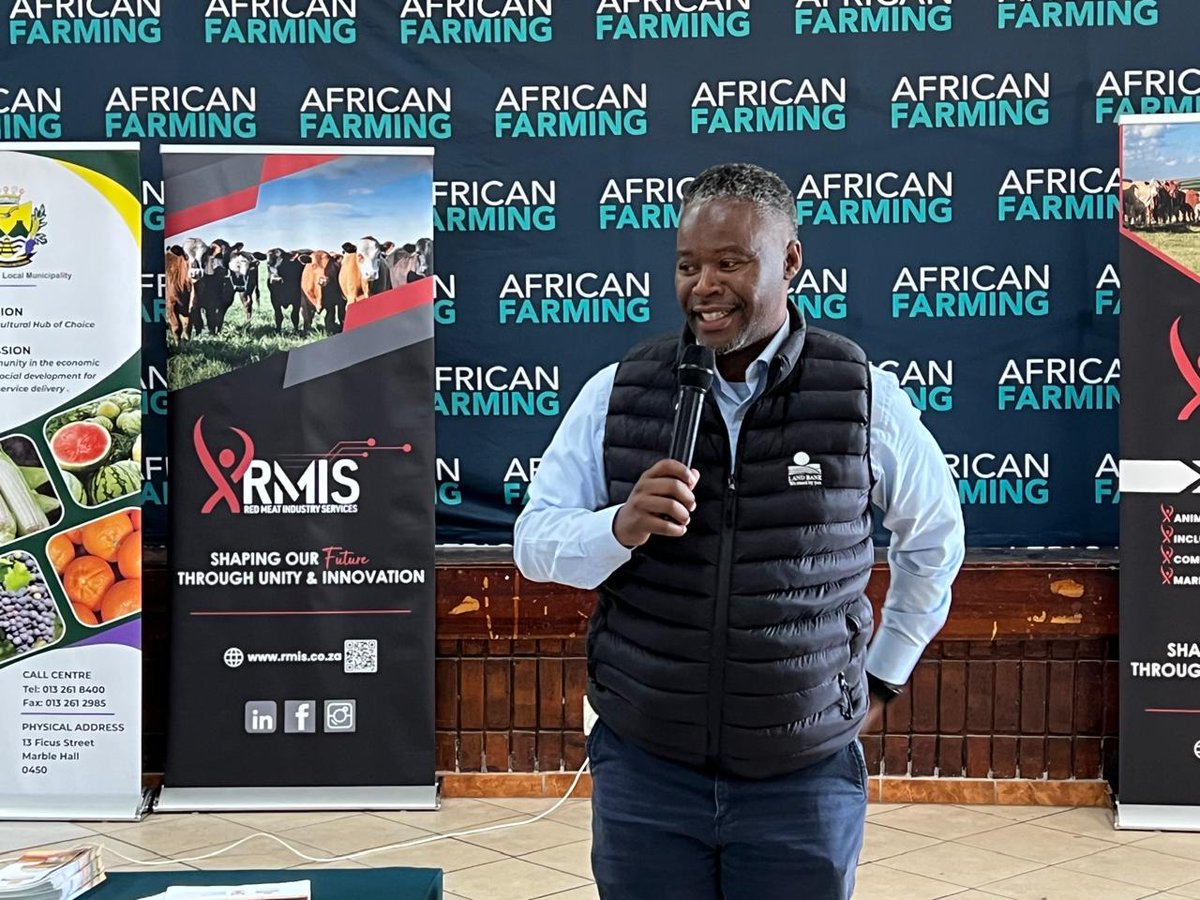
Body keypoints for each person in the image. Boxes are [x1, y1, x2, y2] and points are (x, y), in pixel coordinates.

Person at [513, 162, 965, 900]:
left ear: (790, 261)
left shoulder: (862, 396)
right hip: (646, 769)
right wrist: (618, 527)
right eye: (687, 265)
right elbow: (534, 542)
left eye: (730, 263)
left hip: (803, 778)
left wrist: (886, 673)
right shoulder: (619, 391)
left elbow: (935, 541)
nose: (704, 287)